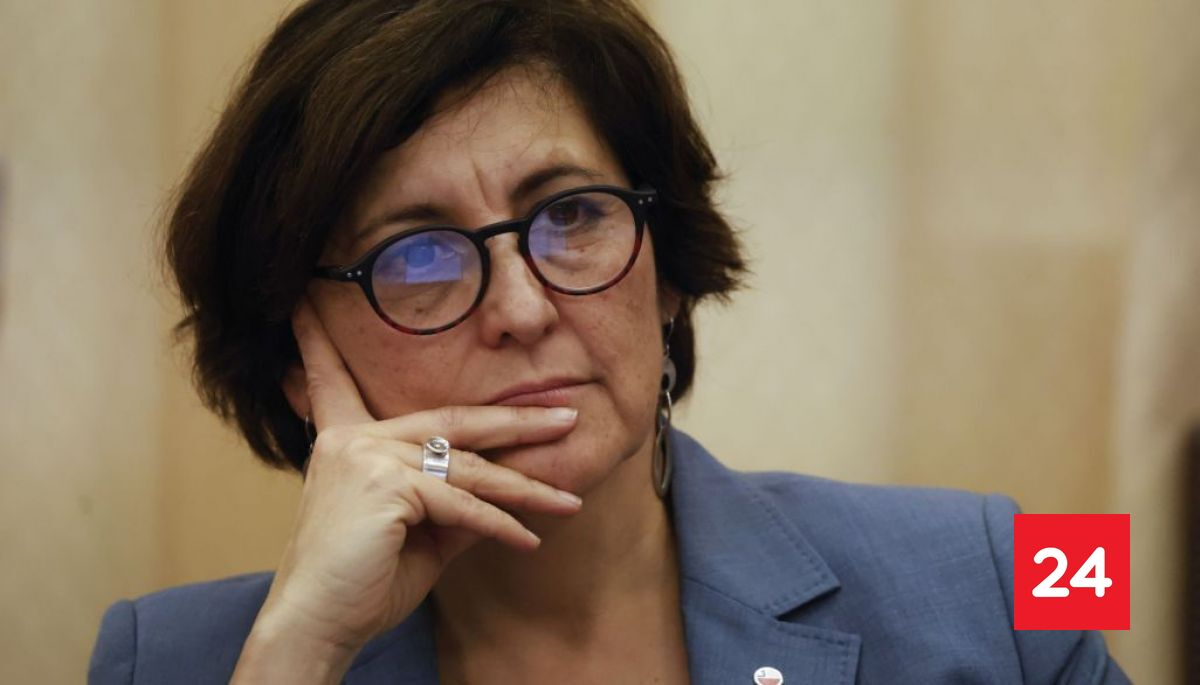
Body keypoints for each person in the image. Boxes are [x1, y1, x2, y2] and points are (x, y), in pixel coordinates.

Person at [89, 1, 1130, 683]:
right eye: (419, 255)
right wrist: (298, 653)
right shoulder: (161, 658)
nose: (521, 307)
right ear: (298, 358)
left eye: (574, 214)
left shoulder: (1020, 562)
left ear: (667, 268)